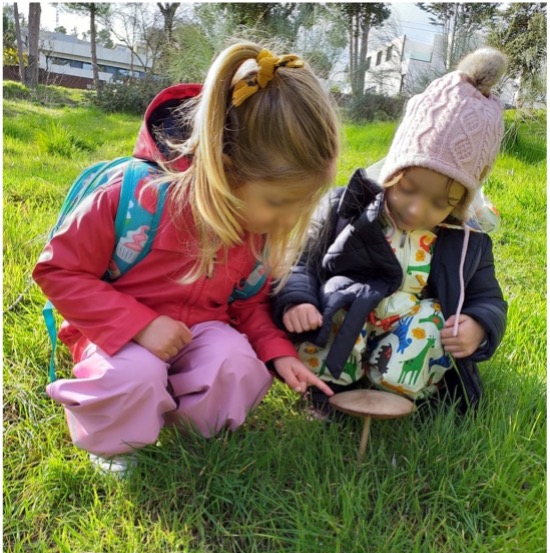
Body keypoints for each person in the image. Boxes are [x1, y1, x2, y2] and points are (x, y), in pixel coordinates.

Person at [33, 42, 340, 472]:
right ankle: (115, 441)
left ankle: (187, 431)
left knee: (237, 364)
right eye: (277, 202)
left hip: (198, 333)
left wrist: (278, 352)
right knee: (134, 375)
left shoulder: (253, 230)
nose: (285, 219)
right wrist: (140, 325)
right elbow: (59, 269)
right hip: (118, 336)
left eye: (298, 206)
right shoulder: (135, 196)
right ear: (226, 167)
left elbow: (247, 304)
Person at [273, 47, 508, 417]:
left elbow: (489, 298)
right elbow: (299, 258)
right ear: (391, 172)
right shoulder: (346, 208)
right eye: (408, 189)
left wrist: (479, 324)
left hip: (407, 336)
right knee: (338, 299)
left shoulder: (468, 243)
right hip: (349, 323)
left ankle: (400, 390)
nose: (416, 210)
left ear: (461, 204)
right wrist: (297, 300)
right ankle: (325, 388)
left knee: (432, 320)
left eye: (439, 203)